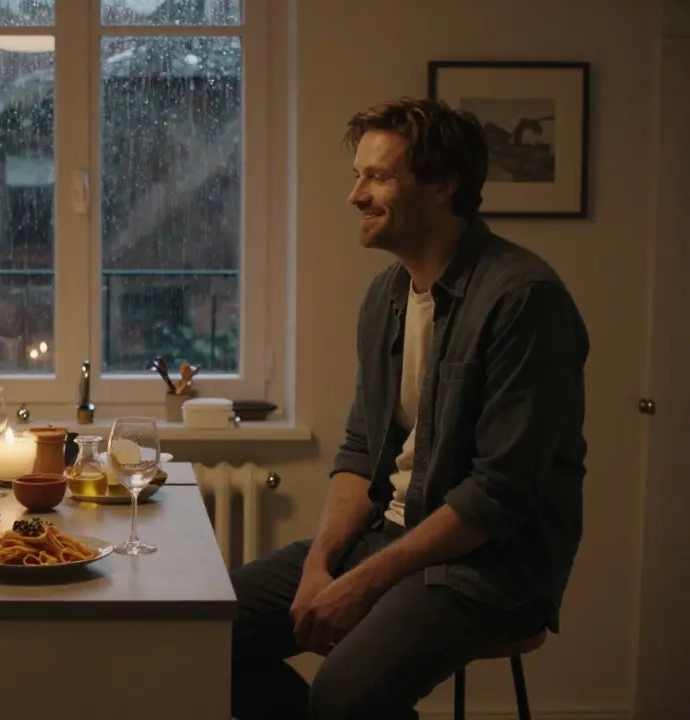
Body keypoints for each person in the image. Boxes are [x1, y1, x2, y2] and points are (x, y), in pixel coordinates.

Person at [229, 97, 589, 719]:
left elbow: (496, 496)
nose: (355, 195)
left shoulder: (524, 298)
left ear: (443, 185)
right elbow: (360, 450)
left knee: (345, 695)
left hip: (490, 566)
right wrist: (320, 566)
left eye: (378, 177)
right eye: (357, 176)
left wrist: (362, 583)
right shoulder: (386, 295)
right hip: (388, 537)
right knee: (200, 630)